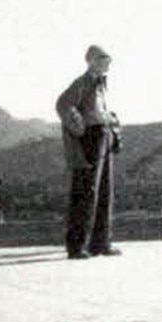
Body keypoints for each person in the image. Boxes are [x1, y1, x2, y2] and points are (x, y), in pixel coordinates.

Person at [56, 44, 122, 259]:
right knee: (86, 192)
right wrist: (79, 127)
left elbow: (103, 111)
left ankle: (100, 243)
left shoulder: (102, 85)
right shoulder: (82, 83)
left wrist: (113, 126)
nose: (107, 63)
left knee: (104, 192)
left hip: (104, 136)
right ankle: (76, 246)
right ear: (92, 61)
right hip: (90, 140)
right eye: (103, 59)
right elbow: (63, 105)